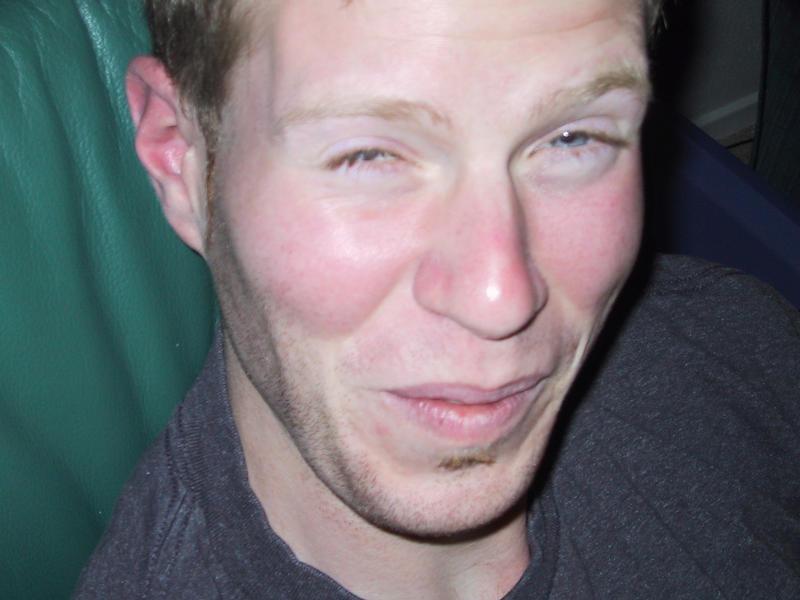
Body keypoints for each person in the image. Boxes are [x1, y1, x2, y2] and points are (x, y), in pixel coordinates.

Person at [75, 0, 800, 598]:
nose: (500, 299)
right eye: (368, 154)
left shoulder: (740, 348)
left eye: (572, 138)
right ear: (181, 157)